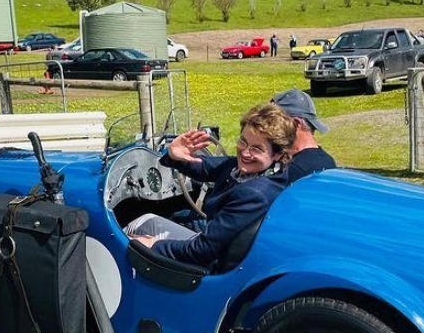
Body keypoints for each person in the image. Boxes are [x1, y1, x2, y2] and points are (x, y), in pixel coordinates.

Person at [126, 104, 295, 266]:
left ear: (278, 154)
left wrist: (153, 245)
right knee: (146, 221)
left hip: (212, 264)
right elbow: (206, 167)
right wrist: (175, 155)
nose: (245, 152)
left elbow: (203, 250)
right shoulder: (260, 172)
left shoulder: (254, 194)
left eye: (257, 149)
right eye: (243, 141)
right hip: (216, 248)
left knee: (130, 241)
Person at [271, 88, 336, 181]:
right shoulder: (328, 161)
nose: (269, 129)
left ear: (296, 124)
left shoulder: (294, 170)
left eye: (274, 122)